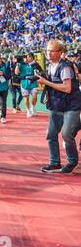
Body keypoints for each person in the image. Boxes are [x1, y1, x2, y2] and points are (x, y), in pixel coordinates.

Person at [37, 40, 81, 174]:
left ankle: (72, 162)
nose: (48, 53)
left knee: (66, 134)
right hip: (57, 106)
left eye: (52, 51)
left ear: (60, 53)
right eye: (47, 51)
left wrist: (46, 82)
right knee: (51, 134)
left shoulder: (65, 67)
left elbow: (67, 88)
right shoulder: (51, 66)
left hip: (70, 106)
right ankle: (54, 162)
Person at [15, 53, 40, 118]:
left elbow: (39, 72)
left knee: (35, 96)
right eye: (26, 57)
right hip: (24, 83)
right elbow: (16, 72)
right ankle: (28, 110)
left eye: (29, 57)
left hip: (33, 82)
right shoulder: (21, 64)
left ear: (32, 58)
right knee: (26, 97)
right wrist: (17, 64)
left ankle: (33, 107)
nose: (27, 58)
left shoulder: (34, 64)